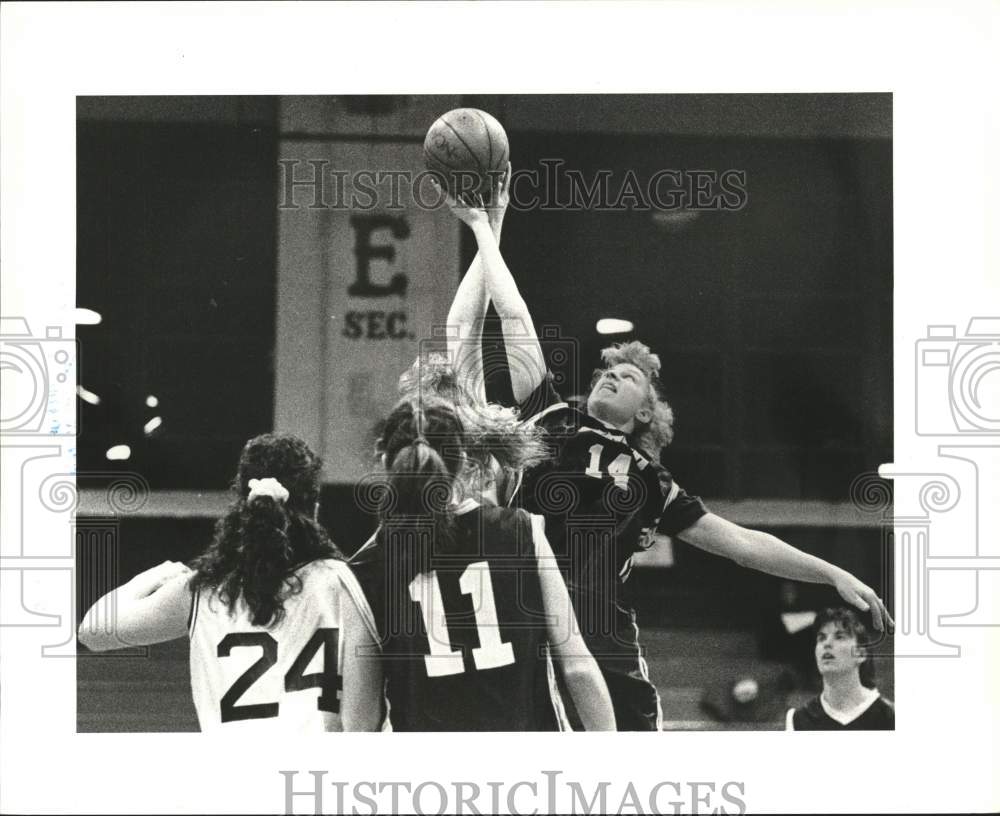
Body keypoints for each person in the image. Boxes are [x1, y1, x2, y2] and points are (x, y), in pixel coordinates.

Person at [432, 168, 894, 731]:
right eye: (607, 370)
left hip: (603, 632)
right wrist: (488, 226)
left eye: (626, 378)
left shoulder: (651, 481)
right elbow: (511, 319)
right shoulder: (547, 414)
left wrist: (833, 574)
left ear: (646, 412)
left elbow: (743, 543)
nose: (609, 377)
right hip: (526, 615)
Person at [78, 433, 384, 732]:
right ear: (315, 506)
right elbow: (363, 724)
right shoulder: (345, 583)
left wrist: (158, 572)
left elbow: (92, 631)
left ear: (240, 503)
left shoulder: (202, 588)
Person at [349, 396, 616, 731]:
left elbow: (360, 720)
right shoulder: (521, 529)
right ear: (464, 459)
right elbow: (578, 668)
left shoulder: (364, 569)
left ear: (383, 457)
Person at [785, 606, 894, 730]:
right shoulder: (797, 720)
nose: (827, 644)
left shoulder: (890, 716)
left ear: (861, 654)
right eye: (821, 638)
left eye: (839, 637)